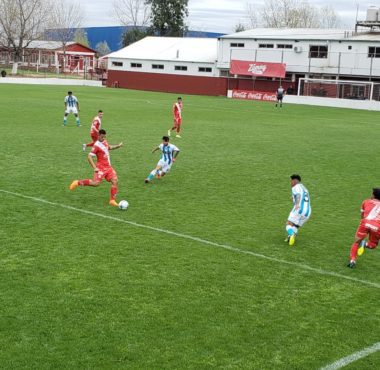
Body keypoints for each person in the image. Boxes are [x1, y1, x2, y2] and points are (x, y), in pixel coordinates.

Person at [69, 129, 123, 207]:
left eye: (104, 137)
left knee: (115, 181)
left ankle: (112, 200)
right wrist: (95, 167)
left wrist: (118, 146)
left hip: (108, 167)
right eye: (102, 137)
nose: (103, 138)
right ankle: (77, 182)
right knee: (96, 183)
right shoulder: (96, 146)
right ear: (98, 136)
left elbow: (109, 147)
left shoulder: (105, 141)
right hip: (100, 168)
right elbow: (89, 156)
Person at [347, 188, 380, 268]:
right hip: (377, 226)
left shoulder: (366, 201)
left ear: (374, 195)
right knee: (373, 245)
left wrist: (364, 223)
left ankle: (352, 260)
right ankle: (365, 244)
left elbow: (362, 216)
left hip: (365, 223)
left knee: (356, 242)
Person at [285, 174, 311, 246]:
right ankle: (290, 237)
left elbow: (298, 195)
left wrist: (297, 204)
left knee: (288, 224)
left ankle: (291, 234)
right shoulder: (304, 188)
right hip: (308, 212)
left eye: (291, 181)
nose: (290, 183)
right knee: (296, 226)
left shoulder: (296, 187)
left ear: (294, 181)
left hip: (299, 209)